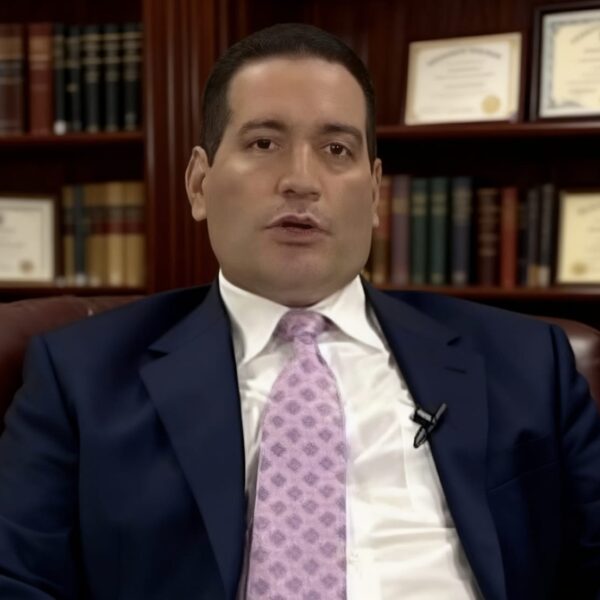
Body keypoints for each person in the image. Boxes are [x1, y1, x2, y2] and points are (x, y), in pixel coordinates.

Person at [0, 22, 599, 600]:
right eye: (264, 143)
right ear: (199, 184)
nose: (301, 180)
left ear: (374, 192)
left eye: (337, 149)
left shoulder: (527, 363)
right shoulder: (80, 376)